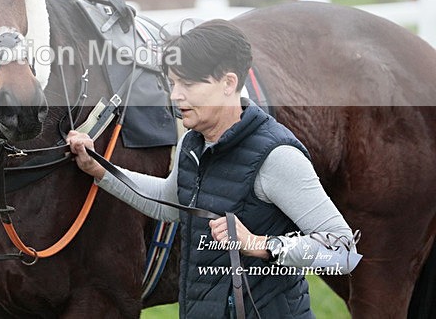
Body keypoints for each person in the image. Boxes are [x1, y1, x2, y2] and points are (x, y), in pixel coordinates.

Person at [67, 19, 359, 318]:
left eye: (188, 85)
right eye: (173, 84)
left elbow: (342, 249)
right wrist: (100, 169)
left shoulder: (277, 157)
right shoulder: (192, 144)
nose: (175, 95)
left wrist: (260, 244)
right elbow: (169, 203)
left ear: (228, 83)